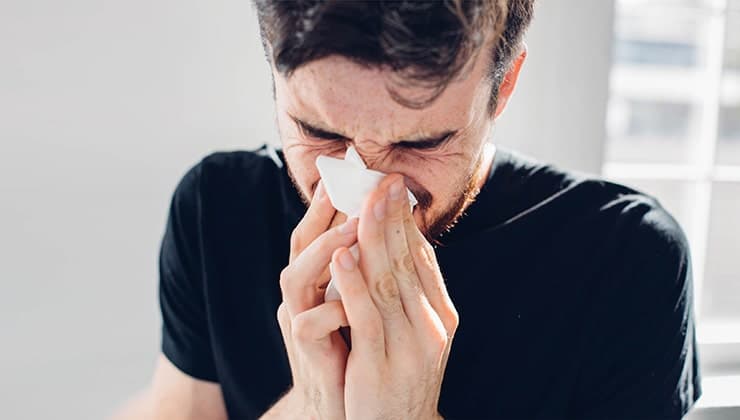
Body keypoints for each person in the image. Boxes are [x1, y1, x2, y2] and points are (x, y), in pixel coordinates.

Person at [114, 1, 701, 419]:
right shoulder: (217, 207)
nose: (368, 189)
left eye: (421, 143)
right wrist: (314, 405)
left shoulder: (628, 257)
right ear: (274, 73)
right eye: (319, 132)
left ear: (504, 86)